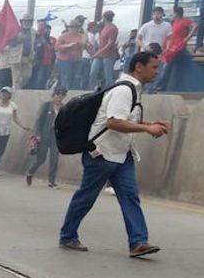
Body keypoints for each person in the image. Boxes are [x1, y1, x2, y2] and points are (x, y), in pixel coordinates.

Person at [59, 51, 168, 258]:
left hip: (121, 153)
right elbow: (114, 122)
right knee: (86, 196)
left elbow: (125, 118)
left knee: (130, 197)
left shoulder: (133, 88)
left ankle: (138, 242)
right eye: (154, 67)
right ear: (139, 67)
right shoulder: (124, 90)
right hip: (102, 153)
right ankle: (67, 235)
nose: (157, 72)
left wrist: (151, 124)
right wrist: (147, 129)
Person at [25, 86, 67, 188]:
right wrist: (37, 134)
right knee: (41, 158)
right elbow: (38, 121)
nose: (60, 97)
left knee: (54, 158)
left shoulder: (64, 108)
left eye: (62, 95)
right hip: (44, 135)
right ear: (54, 95)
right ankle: (30, 172)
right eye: (58, 95)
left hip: (56, 136)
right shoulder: (46, 106)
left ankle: (51, 181)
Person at [0, 87, 29, 176]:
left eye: (6, 93)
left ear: (9, 95)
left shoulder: (13, 105)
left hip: (6, 130)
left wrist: (23, 126)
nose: (4, 95)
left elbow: (15, 118)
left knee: (2, 150)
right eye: (2, 93)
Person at [154, 6, 197, 92]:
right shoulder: (174, 23)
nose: (171, 15)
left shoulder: (184, 21)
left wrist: (188, 37)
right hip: (171, 48)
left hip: (178, 48)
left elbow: (195, 25)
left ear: (176, 13)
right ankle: (160, 86)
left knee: (166, 66)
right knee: (165, 65)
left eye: (172, 13)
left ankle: (159, 86)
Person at [1, 13, 36, 89]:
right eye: (25, 21)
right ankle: (17, 92)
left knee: (27, 75)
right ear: (22, 22)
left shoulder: (33, 32)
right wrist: (18, 40)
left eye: (29, 21)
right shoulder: (16, 31)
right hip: (16, 57)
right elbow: (8, 43)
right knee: (16, 77)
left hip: (27, 57)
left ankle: (18, 88)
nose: (27, 23)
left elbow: (34, 44)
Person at [89, 10, 119, 89]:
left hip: (108, 55)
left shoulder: (113, 28)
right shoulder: (105, 27)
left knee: (108, 75)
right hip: (100, 55)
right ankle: (92, 89)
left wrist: (99, 52)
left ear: (104, 17)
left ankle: (111, 90)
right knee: (93, 72)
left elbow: (110, 43)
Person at [55, 19, 86, 90]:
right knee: (66, 77)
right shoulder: (63, 36)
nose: (75, 29)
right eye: (73, 27)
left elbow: (85, 45)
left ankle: (73, 93)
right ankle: (64, 93)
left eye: (77, 27)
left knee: (76, 78)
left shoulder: (81, 36)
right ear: (70, 28)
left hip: (77, 60)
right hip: (65, 60)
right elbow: (57, 47)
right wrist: (67, 46)